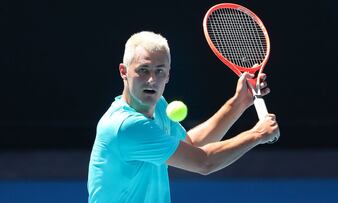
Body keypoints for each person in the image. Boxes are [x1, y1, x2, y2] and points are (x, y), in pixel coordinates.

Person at [87, 31, 280, 203]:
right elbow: (204, 162)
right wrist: (257, 134)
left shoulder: (159, 104)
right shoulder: (126, 126)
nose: (152, 80)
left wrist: (239, 103)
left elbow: (191, 144)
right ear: (124, 71)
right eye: (143, 70)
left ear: (168, 75)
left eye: (159, 71)